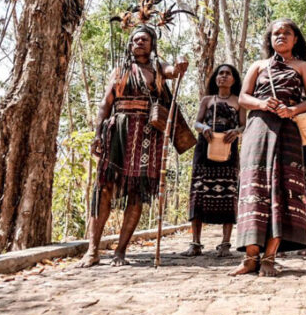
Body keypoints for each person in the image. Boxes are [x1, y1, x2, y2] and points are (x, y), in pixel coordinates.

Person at [78, 23, 188, 268]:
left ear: (152, 45)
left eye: (145, 40)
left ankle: (120, 251)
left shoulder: (158, 68)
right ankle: (93, 250)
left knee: (137, 192)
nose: (139, 43)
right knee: (104, 189)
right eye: (136, 40)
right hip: (118, 132)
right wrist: (98, 133)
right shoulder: (120, 70)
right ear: (130, 44)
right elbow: (105, 104)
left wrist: (181, 63)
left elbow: (174, 70)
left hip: (148, 135)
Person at [229, 19, 306, 277]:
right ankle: (250, 258)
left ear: (295, 39)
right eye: (276, 33)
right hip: (257, 130)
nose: (281, 36)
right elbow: (243, 97)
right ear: (269, 40)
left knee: (281, 188)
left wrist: (292, 109)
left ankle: (269, 257)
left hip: (288, 131)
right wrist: (261, 103)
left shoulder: (302, 67)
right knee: (254, 188)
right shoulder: (258, 66)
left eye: (286, 33)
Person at [183, 64, 246, 258]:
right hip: (205, 150)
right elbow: (197, 122)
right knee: (199, 193)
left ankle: (225, 244)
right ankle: (195, 243)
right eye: (220, 73)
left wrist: (235, 132)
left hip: (228, 151)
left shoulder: (239, 101)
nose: (223, 76)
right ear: (215, 78)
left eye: (228, 74)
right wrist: (204, 128)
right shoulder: (207, 100)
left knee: (228, 194)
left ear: (234, 79)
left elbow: (244, 125)